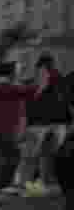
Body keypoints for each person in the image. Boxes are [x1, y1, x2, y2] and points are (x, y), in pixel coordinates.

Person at [17, 54, 71, 192]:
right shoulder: (60, 80)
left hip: (39, 124)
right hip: (56, 124)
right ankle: (46, 183)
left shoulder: (37, 82)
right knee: (49, 157)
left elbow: (27, 104)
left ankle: (27, 183)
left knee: (33, 157)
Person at [0, 61, 36, 195]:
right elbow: (28, 92)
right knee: (12, 156)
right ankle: (3, 186)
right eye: (17, 70)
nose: (18, 73)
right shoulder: (5, 87)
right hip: (4, 130)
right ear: (11, 72)